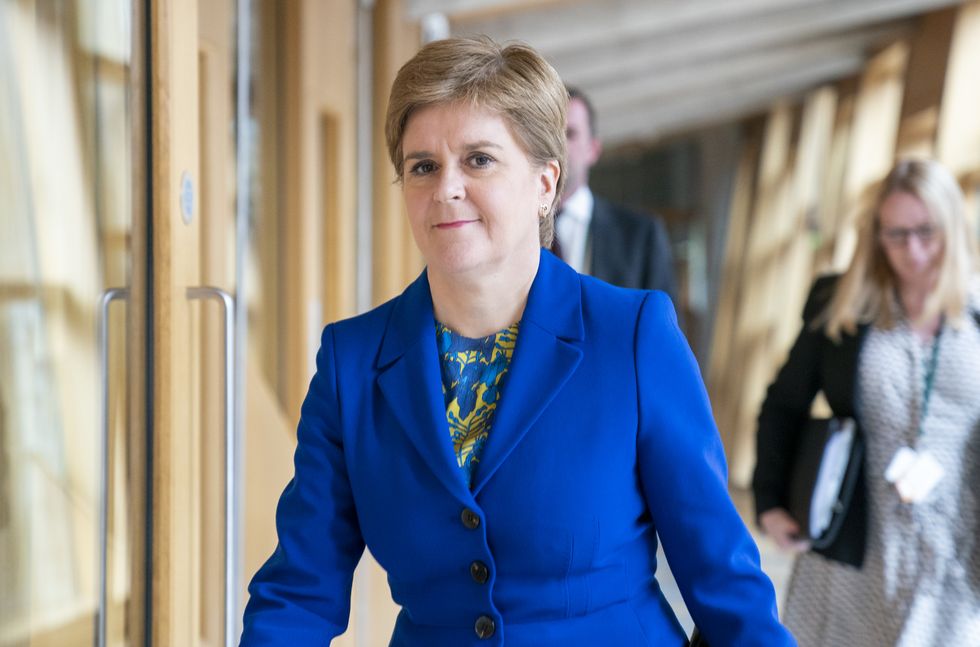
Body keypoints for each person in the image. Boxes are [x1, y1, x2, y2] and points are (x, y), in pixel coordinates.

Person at [240, 35, 793, 647]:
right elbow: (299, 590)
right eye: (423, 166)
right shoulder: (352, 363)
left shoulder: (632, 336)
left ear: (545, 184)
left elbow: (723, 579)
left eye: (478, 159)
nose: (447, 187)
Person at [753, 158, 980, 646]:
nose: (911, 250)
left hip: (955, 553)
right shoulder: (842, 302)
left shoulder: (976, 314)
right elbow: (784, 404)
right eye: (895, 234)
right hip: (857, 544)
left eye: (925, 232)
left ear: (952, 228)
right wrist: (769, 501)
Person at [556, 86, 676, 299]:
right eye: (549, 133)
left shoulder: (640, 235)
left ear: (593, 150)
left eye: (570, 134)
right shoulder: (514, 229)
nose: (557, 146)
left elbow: (666, 329)